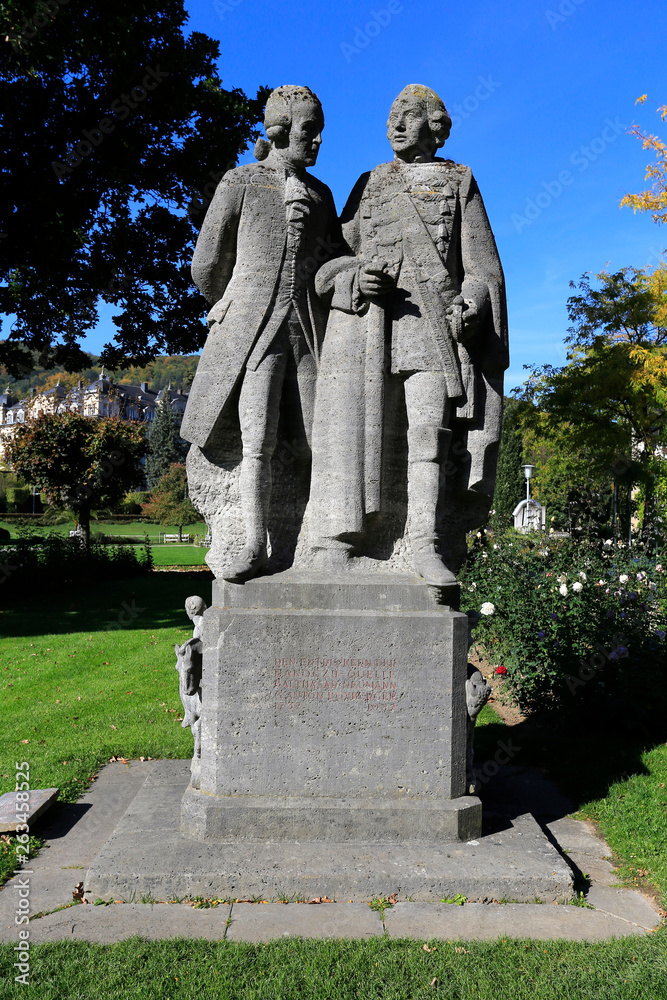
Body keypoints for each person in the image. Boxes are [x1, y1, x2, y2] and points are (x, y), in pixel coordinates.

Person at [309, 84, 508, 585]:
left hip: (430, 330)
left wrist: (472, 304)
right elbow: (327, 264)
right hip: (367, 332)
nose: (394, 125)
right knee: (357, 435)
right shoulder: (369, 183)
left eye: (406, 116)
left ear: (433, 124)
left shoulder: (460, 182)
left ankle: (423, 542)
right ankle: (344, 539)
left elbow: (483, 270)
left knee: (428, 434)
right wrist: (353, 276)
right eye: (391, 116)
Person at [180, 86, 345, 582]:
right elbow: (207, 261)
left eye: (320, 131)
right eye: (308, 129)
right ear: (279, 130)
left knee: (323, 439)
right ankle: (254, 539)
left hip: (311, 332)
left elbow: (335, 258)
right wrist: (227, 302)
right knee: (258, 441)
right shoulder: (241, 181)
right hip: (255, 332)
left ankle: (321, 540)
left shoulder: (322, 194)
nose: (317, 141)